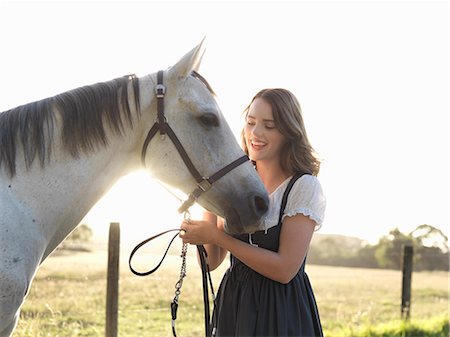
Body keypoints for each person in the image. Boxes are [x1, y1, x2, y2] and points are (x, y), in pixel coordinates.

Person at [179, 88, 326, 337]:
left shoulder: (303, 187)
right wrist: (209, 199)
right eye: (251, 122)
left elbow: (285, 269)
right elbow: (210, 262)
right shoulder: (237, 184)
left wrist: (217, 237)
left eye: (269, 125)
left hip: (281, 310)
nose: (255, 133)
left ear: (289, 132)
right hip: (234, 305)